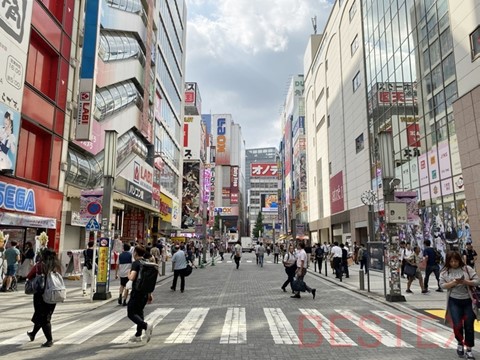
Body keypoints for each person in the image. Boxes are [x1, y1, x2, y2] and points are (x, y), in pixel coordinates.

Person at [440, 251, 480, 360]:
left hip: (468, 302)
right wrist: (453, 283)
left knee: (469, 326)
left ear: (459, 260)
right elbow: (442, 285)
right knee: (457, 325)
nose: (454, 263)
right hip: (454, 301)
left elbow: (477, 281)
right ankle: (460, 343)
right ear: (448, 262)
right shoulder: (444, 272)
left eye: (456, 261)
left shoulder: (467, 269)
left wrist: (465, 282)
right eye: (451, 261)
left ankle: (469, 349)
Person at [26, 248, 61, 347]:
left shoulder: (39, 265)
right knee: (43, 315)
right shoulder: (56, 266)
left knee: (44, 318)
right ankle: (33, 334)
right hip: (53, 294)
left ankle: (49, 340)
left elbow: (29, 276)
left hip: (40, 295)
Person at [127, 245, 153, 343]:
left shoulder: (136, 263)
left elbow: (132, 277)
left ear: (136, 253)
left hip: (136, 292)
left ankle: (146, 326)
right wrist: (150, 294)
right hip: (145, 293)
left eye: (134, 252)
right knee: (139, 312)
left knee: (131, 313)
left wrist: (128, 274)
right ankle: (138, 335)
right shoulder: (146, 263)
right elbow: (149, 280)